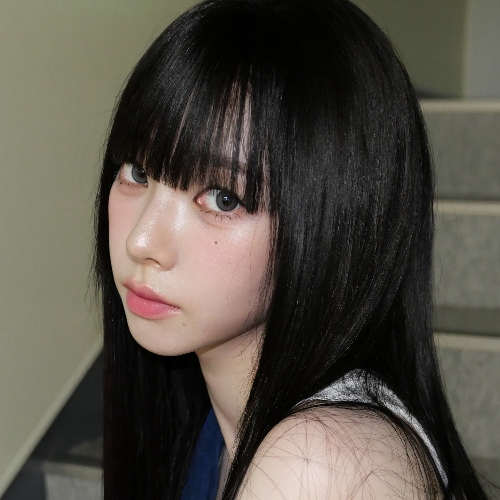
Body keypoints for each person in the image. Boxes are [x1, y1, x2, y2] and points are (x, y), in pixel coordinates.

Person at [93, 0, 488, 498]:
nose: (142, 240)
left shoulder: (320, 464)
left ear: (335, 220)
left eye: (223, 198)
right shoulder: (210, 420)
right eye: (138, 172)